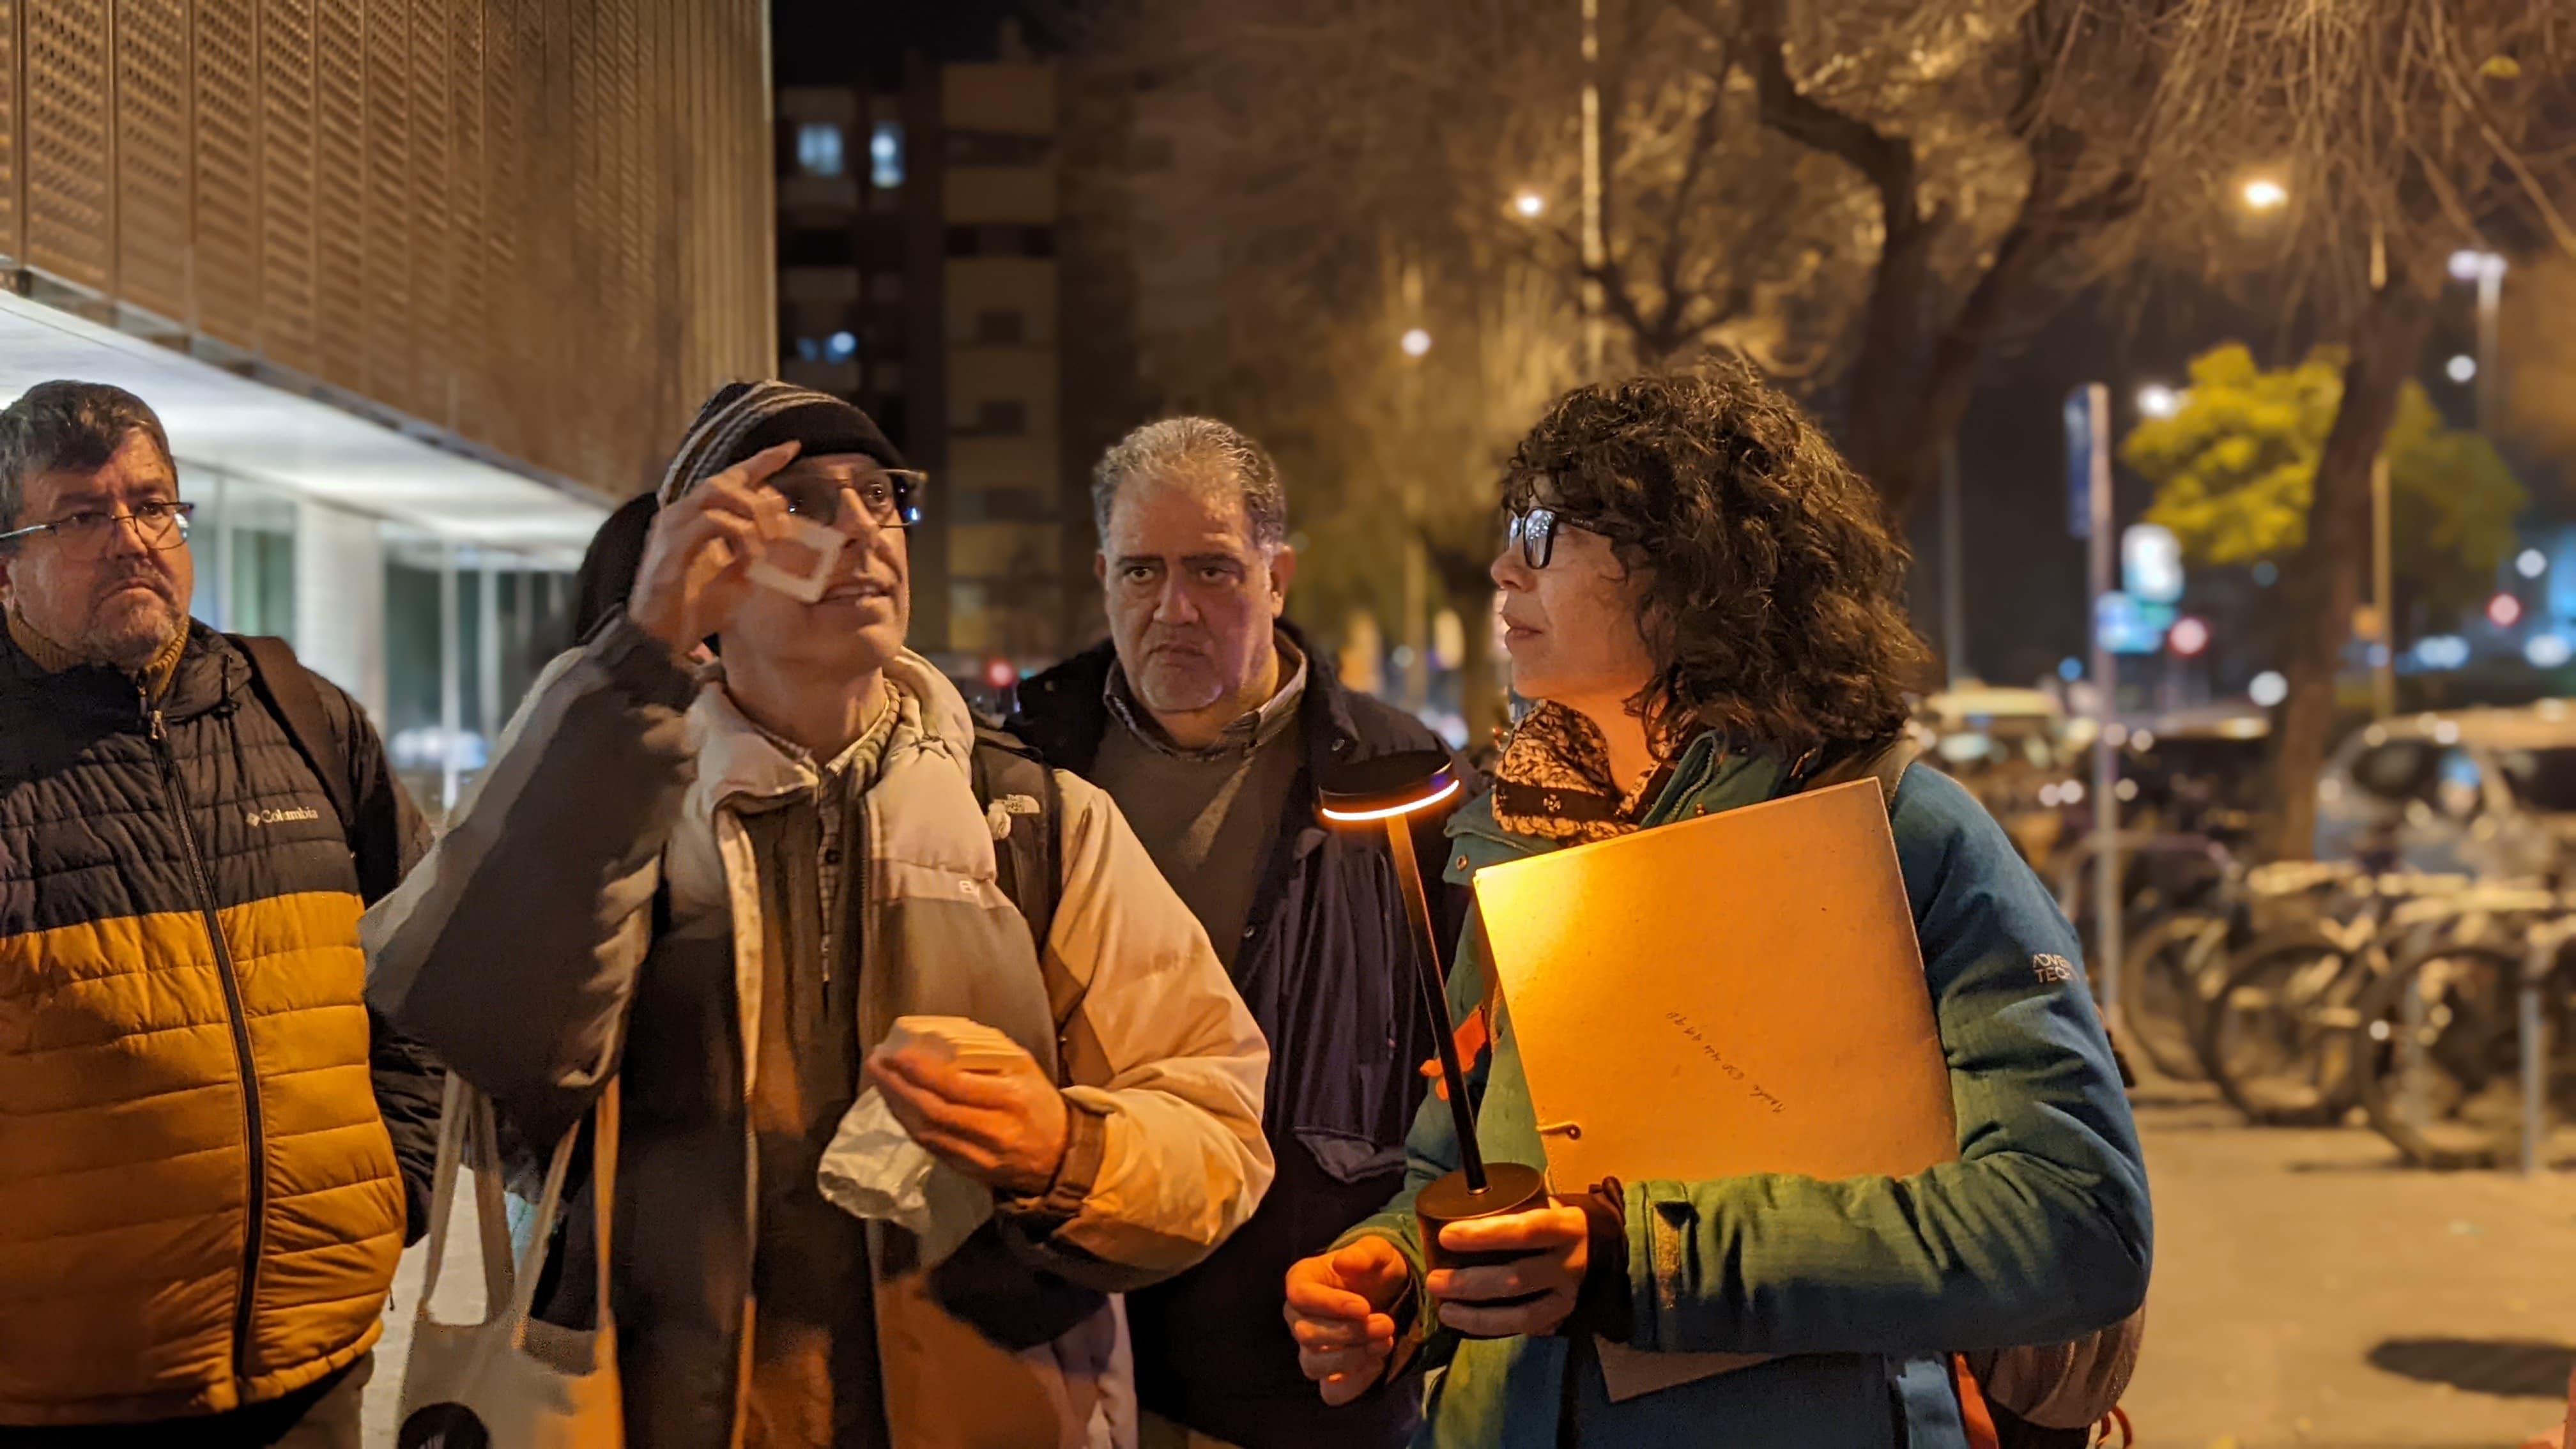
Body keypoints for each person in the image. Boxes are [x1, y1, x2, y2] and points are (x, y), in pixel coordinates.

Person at [365, 381, 1276, 1448]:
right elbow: (479, 1021)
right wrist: (640, 658)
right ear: (708, 555)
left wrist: (1066, 1149)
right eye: (800, 501)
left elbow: (1216, 1116)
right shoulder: (623, 812)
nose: (859, 531)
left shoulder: (1035, 822)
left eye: (880, 497)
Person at [1284, 368, 2152, 1446]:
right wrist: (1397, 1278)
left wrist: (1640, 1260)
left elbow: (2076, 1225)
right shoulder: (1520, 838)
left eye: (1546, 530)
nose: (1505, 565)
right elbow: (1455, 1172)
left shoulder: (1895, 831)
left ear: (1692, 566)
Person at [1008, 418, 1471, 1449]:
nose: (1174, 608)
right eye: (1142, 570)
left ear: (1279, 577)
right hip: (1074, 1350)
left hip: (1306, 1362)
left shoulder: (1400, 778)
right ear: (1102, 574)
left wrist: (1407, 1291)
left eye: (1213, 570)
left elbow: (1475, 1073)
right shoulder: (1020, 763)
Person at [0, 381, 442, 1445]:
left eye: (154, 506)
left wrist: (398, 1182)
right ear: (6, 563)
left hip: (313, 1357)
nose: (132, 540)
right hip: (65, 1386)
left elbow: (424, 963)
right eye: (82, 516)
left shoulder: (299, 713)